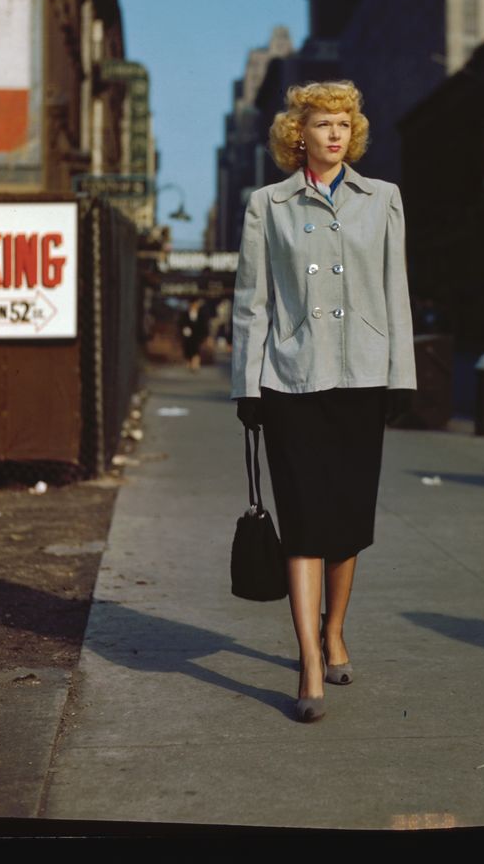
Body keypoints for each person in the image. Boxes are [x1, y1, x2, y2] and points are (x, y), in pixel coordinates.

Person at [230, 80, 417, 722]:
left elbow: (395, 291)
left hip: (362, 375)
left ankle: (334, 629)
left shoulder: (383, 198)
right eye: (321, 123)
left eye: (343, 122)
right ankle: (309, 661)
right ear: (298, 134)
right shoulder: (268, 205)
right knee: (305, 522)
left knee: (347, 522)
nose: (334, 133)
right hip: (291, 378)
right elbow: (252, 302)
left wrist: (401, 375)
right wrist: (246, 385)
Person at [179, 297, 209, 371]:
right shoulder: (185, 314)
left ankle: (195, 365)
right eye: (193, 305)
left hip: (197, 336)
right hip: (188, 337)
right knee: (188, 350)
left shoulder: (201, 315)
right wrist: (184, 329)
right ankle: (189, 364)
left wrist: (204, 336)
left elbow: (204, 326)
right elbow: (181, 324)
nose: (194, 306)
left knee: (196, 350)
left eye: (196, 304)